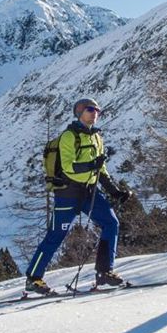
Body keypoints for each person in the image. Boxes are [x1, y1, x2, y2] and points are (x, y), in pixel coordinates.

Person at [23, 98, 133, 294]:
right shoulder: (69, 136)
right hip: (68, 193)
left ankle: (105, 272)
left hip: (90, 192)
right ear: (80, 112)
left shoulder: (97, 137)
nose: (95, 113)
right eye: (90, 109)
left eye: (97, 110)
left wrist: (115, 191)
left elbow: (102, 170)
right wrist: (92, 166)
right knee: (56, 235)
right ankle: (33, 278)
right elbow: (68, 168)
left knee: (111, 223)